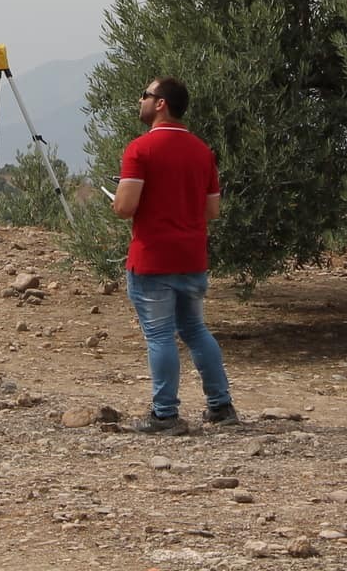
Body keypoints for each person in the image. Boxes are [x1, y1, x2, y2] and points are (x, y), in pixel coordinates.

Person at [111, 76, 235, 435]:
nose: (141, 101)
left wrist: (119, 202)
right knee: (195, 329)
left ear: (161, 103)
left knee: (160, 335)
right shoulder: (202, 151)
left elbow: (125, 207)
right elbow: (212, 210)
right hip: (192, 256)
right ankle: (220, 405)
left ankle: (165, 413)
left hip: (152, 258)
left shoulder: (140, 150)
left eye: (145, 95)